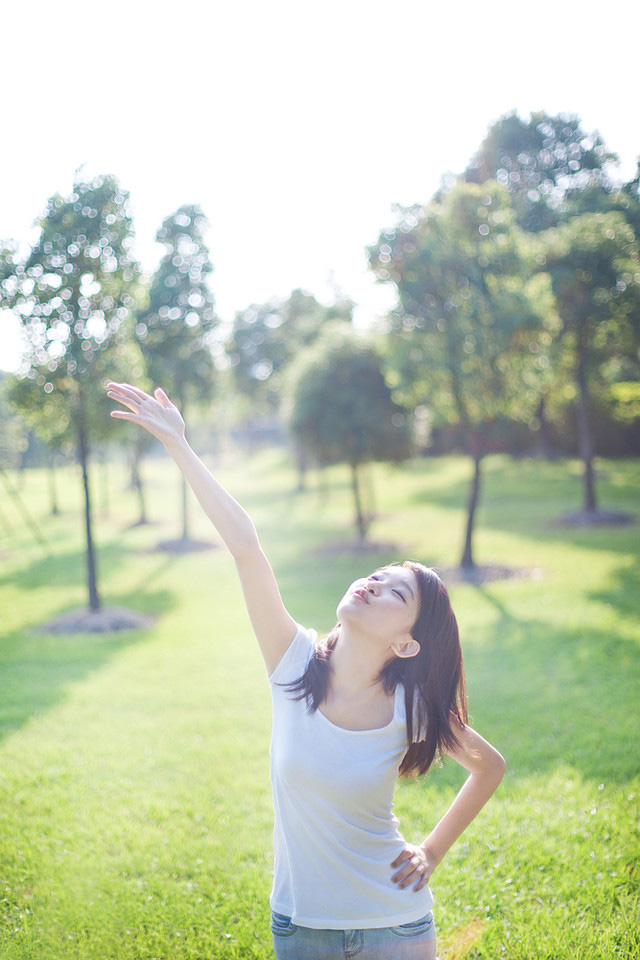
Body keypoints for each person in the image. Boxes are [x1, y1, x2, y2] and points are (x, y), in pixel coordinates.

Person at [107, 381, 506, 960]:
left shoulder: (412, 708)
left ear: (408, 645)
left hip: (395, 924)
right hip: (300, 928)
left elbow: (488, 767)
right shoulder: (292, 663)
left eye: (397, 593)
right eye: (379, 574)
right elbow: (247, 549)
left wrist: (432, 851)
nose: (374, 582)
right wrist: (179, 446)